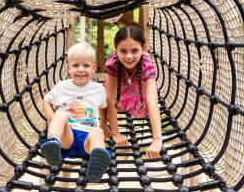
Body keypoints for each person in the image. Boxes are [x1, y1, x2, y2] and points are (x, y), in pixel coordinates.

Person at [40, 43, 111, 183]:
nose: (80, 70)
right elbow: (46, 100)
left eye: (86, 65)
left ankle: (97, 163)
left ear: (93, 68)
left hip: (87, 139)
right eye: (75, 65)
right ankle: (53, 143)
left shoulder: (98, 89)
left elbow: (103, 107)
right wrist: (51, 117)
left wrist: (104, 124)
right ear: (69, 68)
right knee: (60, 114)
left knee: (98, 133)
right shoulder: (62, 87)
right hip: (68, 136)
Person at [100, 25, 163, 159]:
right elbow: (110, 100)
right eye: (123, 51)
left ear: (143, 49)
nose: (129, 56)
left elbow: (152, 102)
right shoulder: (113, 64)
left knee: (145, 108)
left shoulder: (146, 64)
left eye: (135, 50)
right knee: (100, 98)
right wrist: (116, 133)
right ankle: (103, 125)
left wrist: (157, 139)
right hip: (119, 96)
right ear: (115, 49)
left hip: (138, 97)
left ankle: (132, 106)